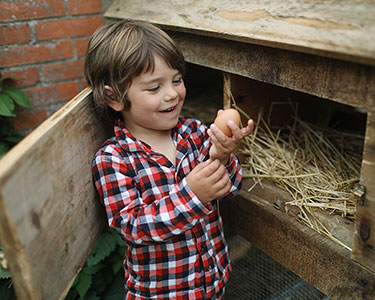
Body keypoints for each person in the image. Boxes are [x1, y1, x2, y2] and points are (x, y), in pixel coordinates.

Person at [85, 20, 254, 300]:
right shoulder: (114, 159)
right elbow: (132, 226)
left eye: (176, 80)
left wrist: (223, 155)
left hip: (212, 283)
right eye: (154, 88)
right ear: (114, 98)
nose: (172, 93)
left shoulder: (195, 133)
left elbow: (233, 187)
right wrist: (192, 195)